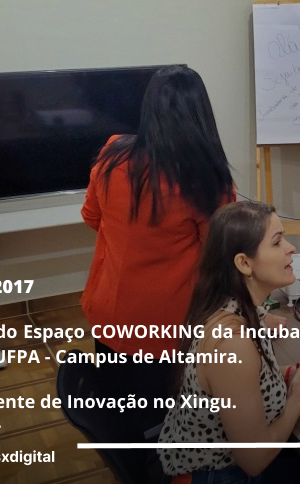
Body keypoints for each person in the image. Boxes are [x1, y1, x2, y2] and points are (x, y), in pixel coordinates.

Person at [81, 65, 237, 430]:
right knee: (163, 427)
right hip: (165, 331)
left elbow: (92, 217)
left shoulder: (111, 154)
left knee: (120, 415)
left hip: (108, 315)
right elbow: (218, 258)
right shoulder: (206, 181)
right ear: (201, 114)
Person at [159, 201, 300, 483]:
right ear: (244, 263)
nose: (291, 248)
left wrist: (292, 376)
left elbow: (244, 379)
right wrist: (298, 401)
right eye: (277, 242)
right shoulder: (231, 341)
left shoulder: (236, 307)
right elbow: (253, 460)